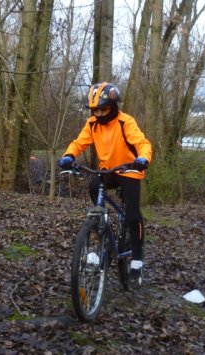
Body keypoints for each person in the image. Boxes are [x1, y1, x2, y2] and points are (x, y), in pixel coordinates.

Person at [58, 82, 152, 287]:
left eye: (103, 109)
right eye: (95, 110)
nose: (99, 114)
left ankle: (137, 260)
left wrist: (143, 158)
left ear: (113, 105)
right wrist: (68, 155)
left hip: (129, 170)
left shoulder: (125, 122)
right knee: (93, 186)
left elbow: (142, 143)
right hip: (107, 169)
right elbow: (79, 142)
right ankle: (102, 224)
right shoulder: (92, 124)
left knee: (133, 215)